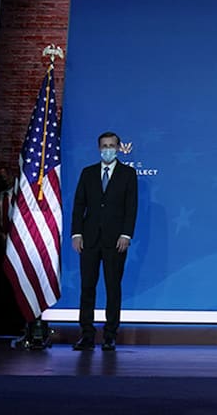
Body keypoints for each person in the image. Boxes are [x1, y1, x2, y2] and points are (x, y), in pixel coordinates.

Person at [71, 131, 138, 351]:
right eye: (103, 145)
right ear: (99, 148)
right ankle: (87, 334)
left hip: (115, 240)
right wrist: (76, 233)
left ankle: (110, 335)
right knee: (87, 287)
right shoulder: (88, 173)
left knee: (112, 287)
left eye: (111, 145)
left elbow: (131, 207)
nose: (107, 149)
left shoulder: (128, 174)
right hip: (89, 239)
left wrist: (126, 234)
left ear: (118, 148)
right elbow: (79, 205)